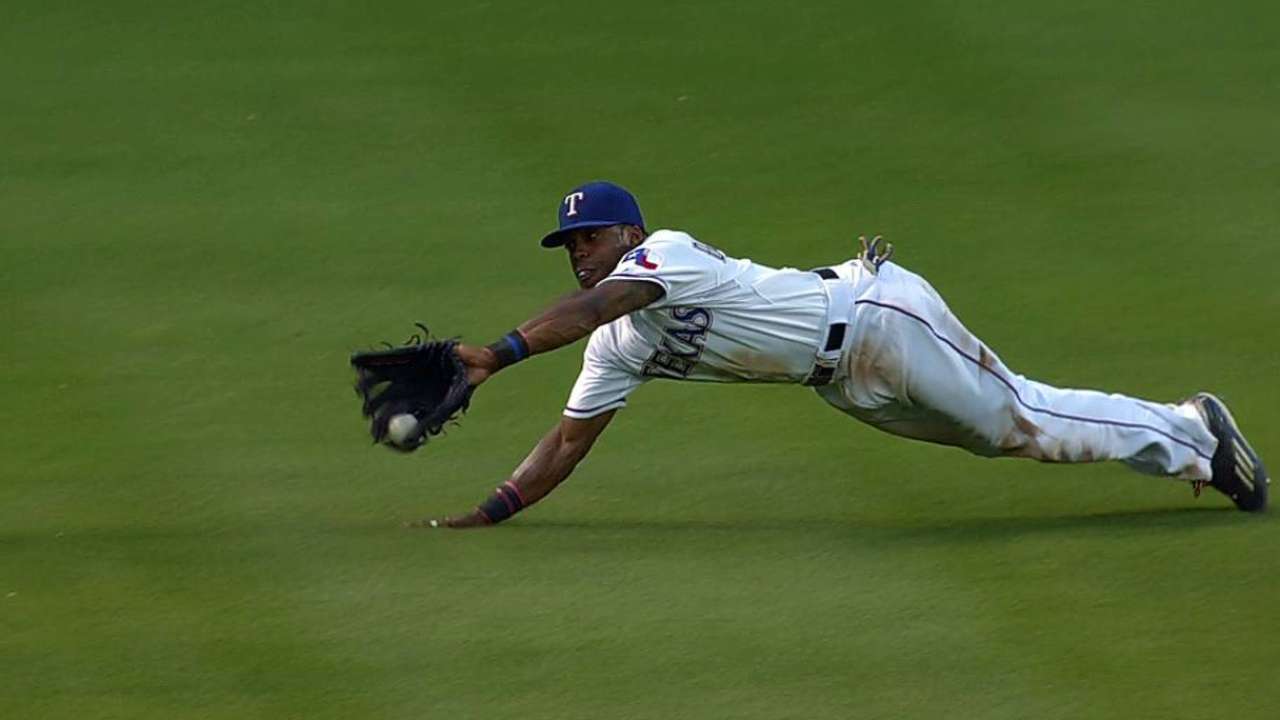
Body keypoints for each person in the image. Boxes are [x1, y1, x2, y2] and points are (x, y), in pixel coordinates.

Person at [419, 181, 1269, 528]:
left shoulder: (662, 257)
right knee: (1004, 436)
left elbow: (598, 301)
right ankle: (1184, 438)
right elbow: (567, 444)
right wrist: (488, 514)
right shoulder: (612, 348)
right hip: (843, 380)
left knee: (1025, 415)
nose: (578, 249)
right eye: (568, 241)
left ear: (630, 234)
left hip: (876, 316)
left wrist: (497, 354)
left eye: (590, 233)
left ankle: (1195, 432)